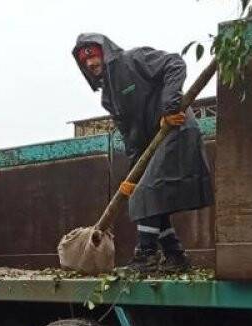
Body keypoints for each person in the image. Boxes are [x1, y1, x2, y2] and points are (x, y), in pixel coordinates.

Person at [72, 34, 214, 272]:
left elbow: (175, 64)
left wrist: (170, 107)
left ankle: (146, 256)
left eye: (93, 55)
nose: (89, 63)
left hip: (175, 127)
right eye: (84, 60)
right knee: (148, 197)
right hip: (154, 143)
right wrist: (132, 174)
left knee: (145, 195)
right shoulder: (109, 97)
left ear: (104, 51)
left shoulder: (133, 60)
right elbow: (131, 137)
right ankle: (175, 256)